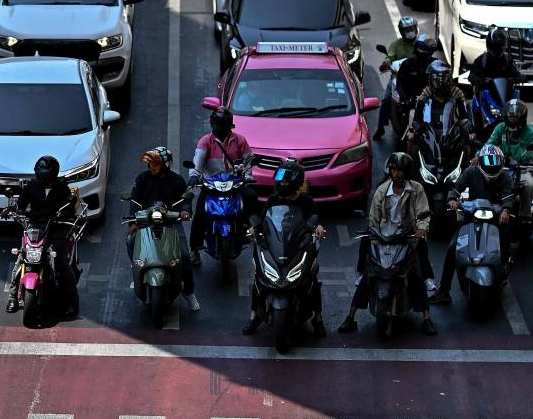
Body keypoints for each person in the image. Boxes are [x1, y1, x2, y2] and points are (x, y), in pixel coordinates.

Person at [338, 152, 437, 336]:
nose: (397, 173)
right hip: (384, 238)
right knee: (369, 273)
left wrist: (421, 228)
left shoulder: (417, 190)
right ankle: (350, 317)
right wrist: (373, 235)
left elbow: (423, 212)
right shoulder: (381, 191)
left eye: (400, 170)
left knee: (416, 273)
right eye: (394, 169)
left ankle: (426, 318)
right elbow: (373, 220)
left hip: (407, 238)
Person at [242, 159, 327, 336]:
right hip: (275, 247)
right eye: (280, 179)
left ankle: (318, 319)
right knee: (259, 279)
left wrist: (318, 228)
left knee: (311, 281)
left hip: (299, 248)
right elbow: (261, 220)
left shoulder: (306, 202)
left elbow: (315, 217)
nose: (281, 183)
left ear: (296, 181)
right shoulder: (273, 201)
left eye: (286, 180)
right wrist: (253, 229)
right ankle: (253, 316)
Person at [429, 145, 515, 305]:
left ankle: (504, 265)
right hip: (472, 216)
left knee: (506, 235)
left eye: (495, 164)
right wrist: (452, 199)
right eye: (488, 164)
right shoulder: (471, 171)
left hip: (495, 217)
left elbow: (508, 195)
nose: (492, 167)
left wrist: (506, 209)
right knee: (452, 248)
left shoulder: (505, 176)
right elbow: (456, 187)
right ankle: (444, 290)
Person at [128, 147, 200, 311]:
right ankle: (137, 271)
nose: (152, 166)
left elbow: (186, 200)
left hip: (170, 221)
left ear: (166, 164)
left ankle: (189, 292)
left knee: (184, 255)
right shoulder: (142, 179)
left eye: (156, 163)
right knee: (131, 241)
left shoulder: (178, 181)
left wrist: (185, 211)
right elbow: (134, 200)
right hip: (146, 221)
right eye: (151, 163)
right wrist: (133, 221)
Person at [5, 156, 80, 315]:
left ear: (52, 173)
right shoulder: (31, 186)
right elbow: (21, 204)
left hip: (55, 228)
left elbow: (69, 208)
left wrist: (64, 214)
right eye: (39, 171)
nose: (41, 174)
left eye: (45, 171)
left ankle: (71, 301)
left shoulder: (62, 188)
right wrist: (12, 209)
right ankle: (12, 297)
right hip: (34, 227)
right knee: (20, 260)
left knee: (62, 263)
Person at [187, 106, 253, 266]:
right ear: (212, 125)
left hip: (234, 184)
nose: (219, 128)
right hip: (211, 186)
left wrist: (249, 176)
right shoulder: (205, 141)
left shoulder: (240, 141)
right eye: (217, 124)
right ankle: (195, 249)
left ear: (229, 126)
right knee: (200, 215)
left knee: (252, 197)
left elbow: (249, 161)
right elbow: (198, 162)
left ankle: (247, 228)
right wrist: (194, 176)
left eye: (222, 125)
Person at [486, 99, 533, 220]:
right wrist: (481, 154)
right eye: (510, 116)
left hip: (522, 169)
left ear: (522, 117)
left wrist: (516, 144)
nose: (512, 119)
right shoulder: (500, 128)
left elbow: (527, 155)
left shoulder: (530, 134)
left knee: (529, 185)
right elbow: (490, 144)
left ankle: (525, 217)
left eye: (515, 117)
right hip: (500, 167)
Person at [374, 16, 418, 139]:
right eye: (407, 29)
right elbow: (389, 58)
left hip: (416, 78)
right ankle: (380, 127)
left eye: (412, 28)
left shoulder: (420, 43)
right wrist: (386, 64)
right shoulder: (396, 45)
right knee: (386, 100)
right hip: (398, 78)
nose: (410, 31)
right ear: (401, 31)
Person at [393, 34, 437, 112]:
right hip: (410, 101)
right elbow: (400, 82)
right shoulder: (407, 64)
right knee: (386, 102)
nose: (419, 50)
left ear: (430, 51)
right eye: (418, 47)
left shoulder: (436, 64)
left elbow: (446, 79)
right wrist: (404, 99)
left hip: (431, 100)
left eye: (422, 48)